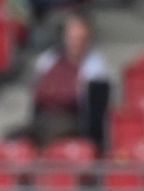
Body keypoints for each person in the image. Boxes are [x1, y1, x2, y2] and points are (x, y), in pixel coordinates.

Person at [21, 12, 113, 152]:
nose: (75, 42)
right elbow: (37, 98)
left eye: (80, 38)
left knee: (53, 133)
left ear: (88, 39)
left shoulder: (96, 69)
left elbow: (94, 116)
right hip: (44, 118)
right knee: (14, 138)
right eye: (72, 37)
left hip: (74, 121)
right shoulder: (48, 60)